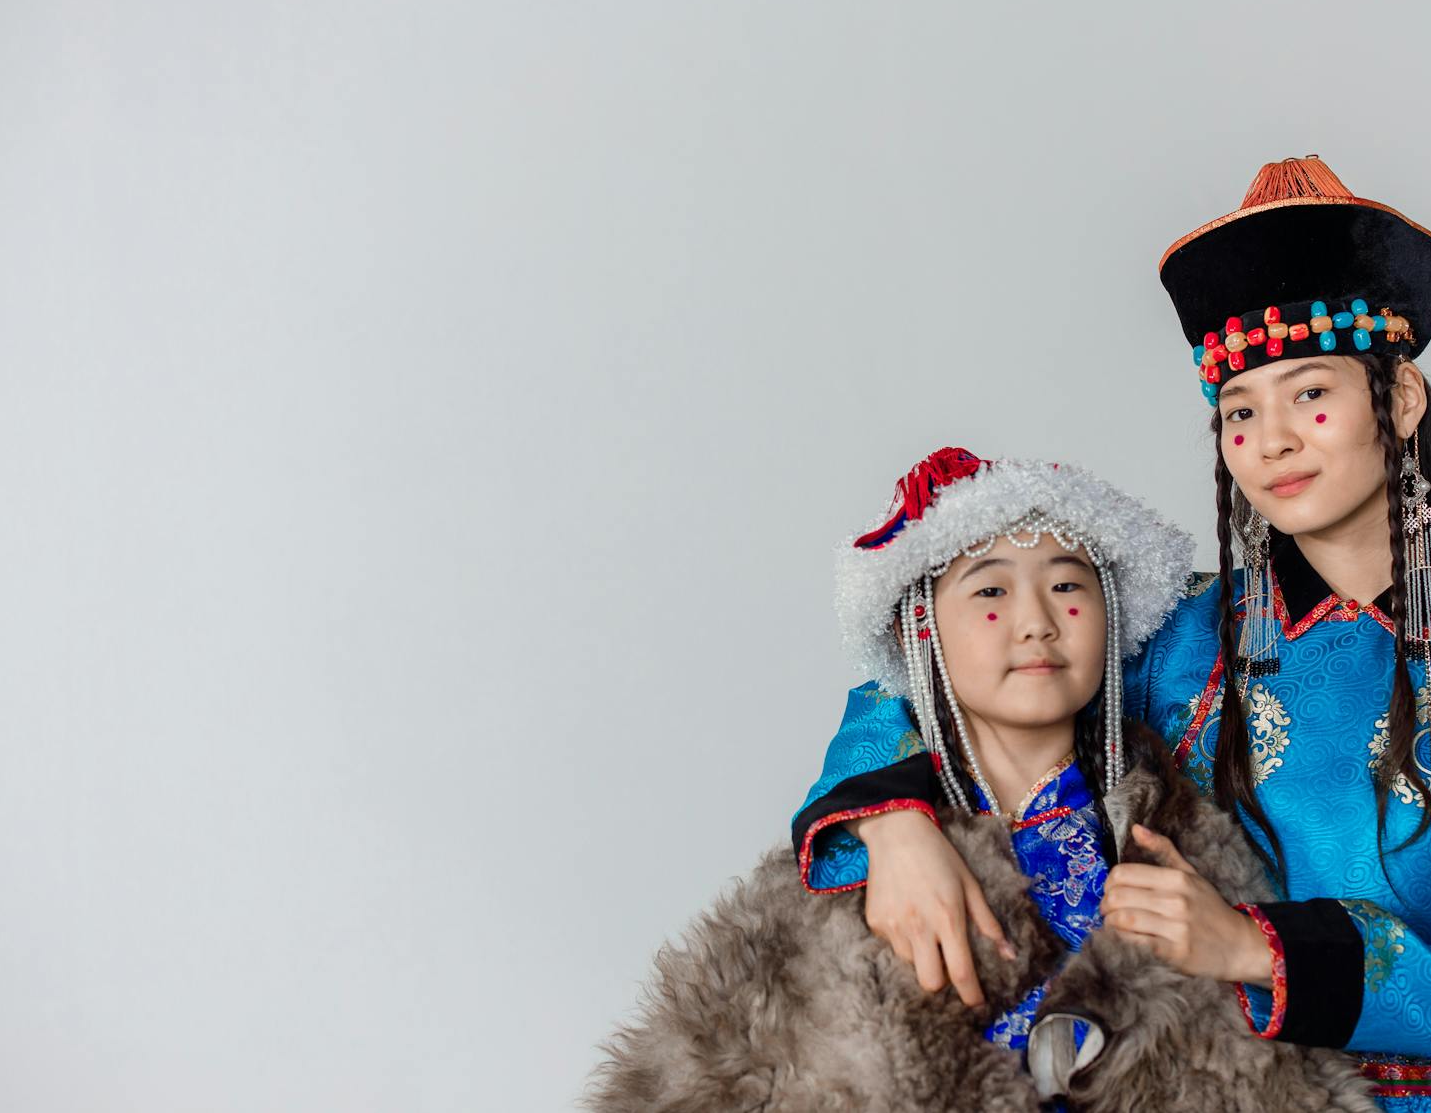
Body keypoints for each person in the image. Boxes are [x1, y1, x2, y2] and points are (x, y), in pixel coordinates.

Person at [791, 157, 1431, 1111]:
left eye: (1311, 396)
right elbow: (934, 675)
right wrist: (897, 824)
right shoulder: (1173, 636)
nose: (1272, 440)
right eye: (1239, 411)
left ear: (1399, 400)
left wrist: (1248, 946)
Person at [588, 448, 1378, 1112]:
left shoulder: (1189, 845)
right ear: (921, 633)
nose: (1037, 619)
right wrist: (891, 821)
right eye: (990, 591)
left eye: (1068, 585)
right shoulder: (848, 868)